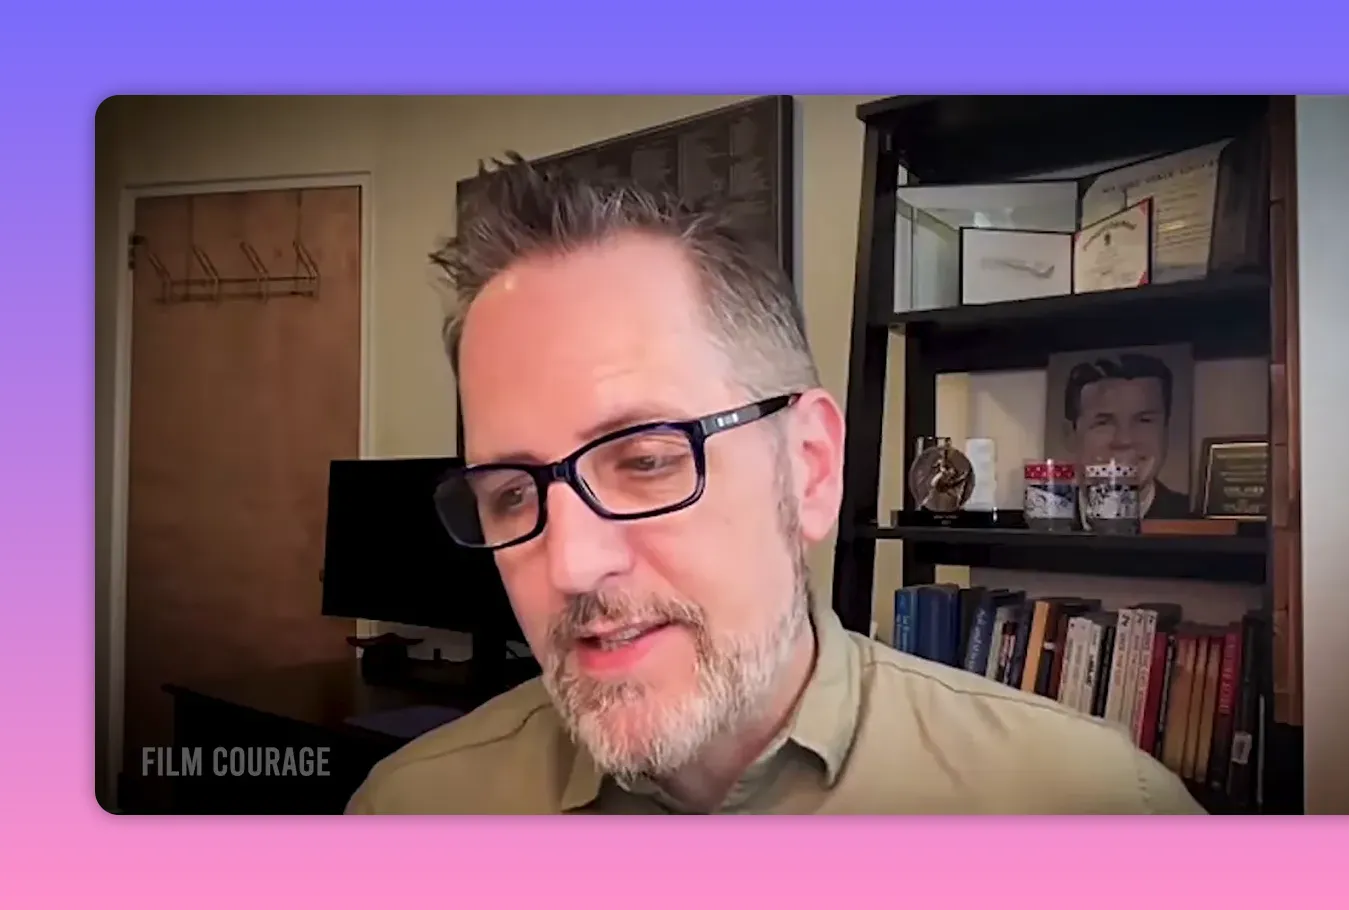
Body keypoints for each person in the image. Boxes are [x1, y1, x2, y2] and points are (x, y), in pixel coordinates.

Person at [345, 155, 1203, 815]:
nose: (569, 563)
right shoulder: (410, 814)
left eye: (646, 459)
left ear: (811, 468)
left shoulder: (1091, 811)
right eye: (512, 494)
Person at [1064, 354, 1193, 520]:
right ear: (1070, 435)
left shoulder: (1197, 523)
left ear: (1165, 429)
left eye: (1144, 421)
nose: (1124, 440)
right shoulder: (1040, 520)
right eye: (1104, 423)